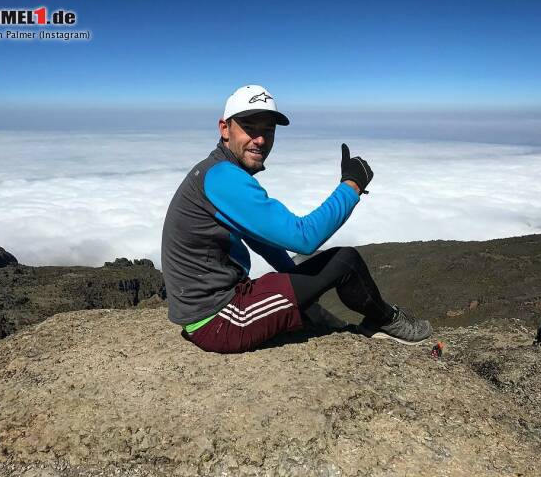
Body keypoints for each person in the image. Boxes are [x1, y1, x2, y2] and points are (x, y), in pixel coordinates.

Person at [161, 84, 432, 353]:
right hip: (220, 320)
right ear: (224, 129)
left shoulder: (216, 172)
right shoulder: (224, 179)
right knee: (344, 261)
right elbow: (303, 238)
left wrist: (297, 276)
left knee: (312, 305)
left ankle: (349, 335)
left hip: (213, 308)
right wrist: (352, 186)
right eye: (250, 127)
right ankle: (385, 321)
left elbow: (260, 239)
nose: (260, 139)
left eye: (268, 130)